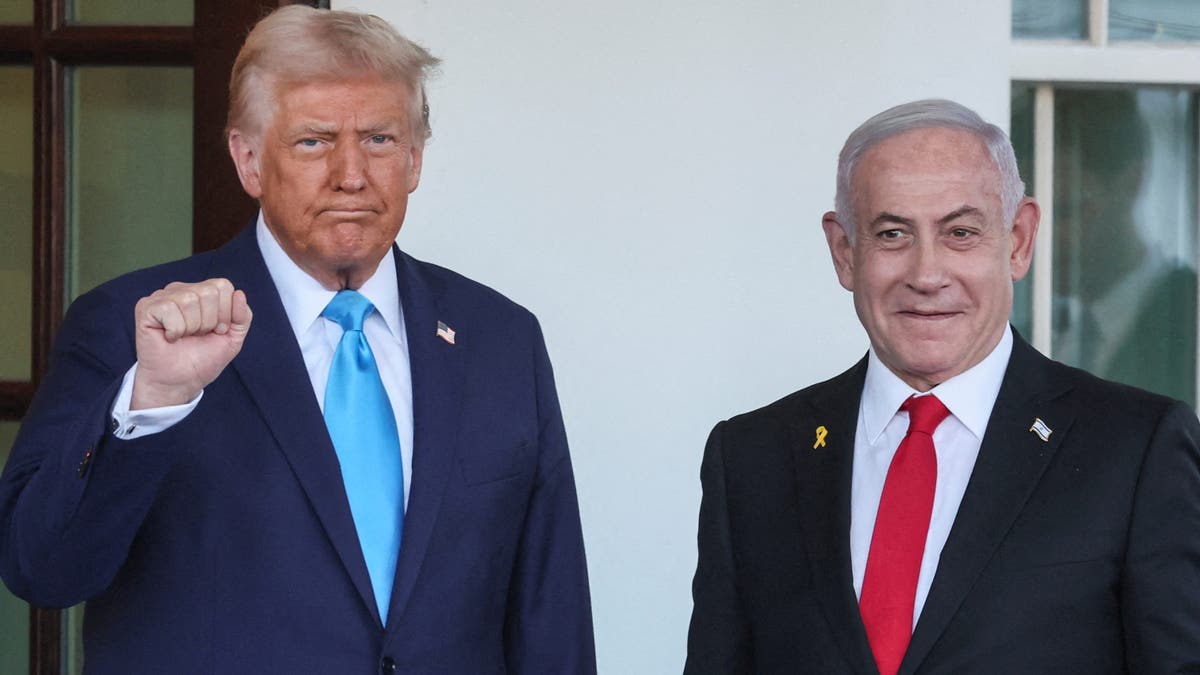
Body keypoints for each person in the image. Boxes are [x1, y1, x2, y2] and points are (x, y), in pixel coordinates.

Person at [0, 6, 595, 673]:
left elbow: (552, 616)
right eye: (313, 141)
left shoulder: (501, 338)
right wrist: (156, 396)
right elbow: (41, 569)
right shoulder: (130, 327)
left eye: (379, 139)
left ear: (416, 159)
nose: (351, 174)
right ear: (248, 160)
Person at [684, 99, 1200, 674]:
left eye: (960, 232)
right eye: (892, 233)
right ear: (844, 252)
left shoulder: (1136, 449)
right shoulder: (752, 457)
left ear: (1019, 241)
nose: (927, 275)